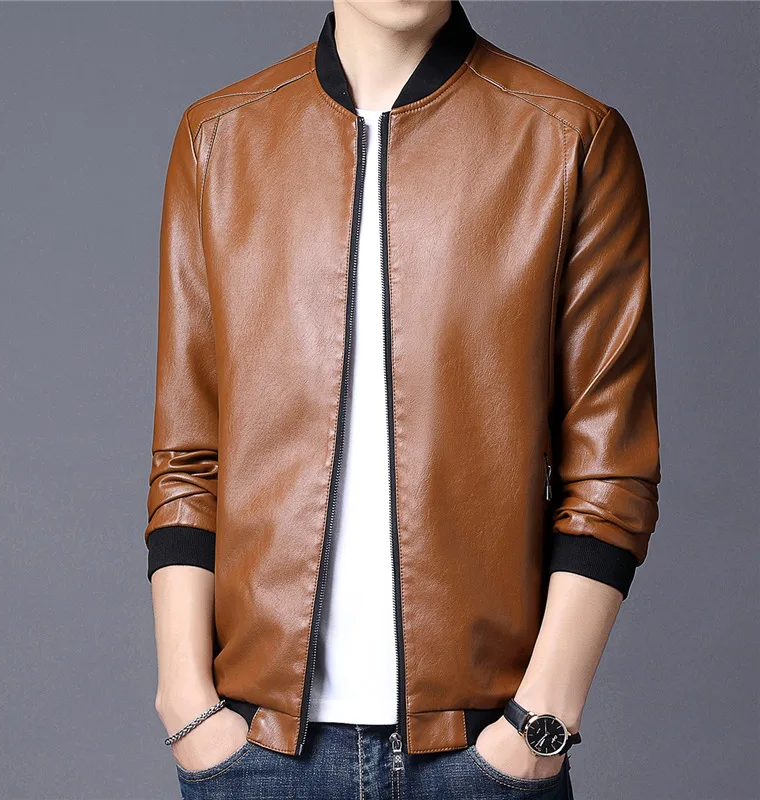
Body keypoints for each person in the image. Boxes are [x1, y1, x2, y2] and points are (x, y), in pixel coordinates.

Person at [144, 1, 661, 797]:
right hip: (254, 750)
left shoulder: (571, 139)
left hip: (483, 753)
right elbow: (189, 455)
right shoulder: (218, 138)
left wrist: (541, 719)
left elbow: (611, 471)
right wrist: (186, 702)